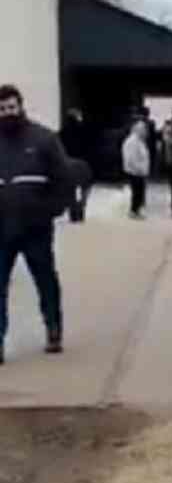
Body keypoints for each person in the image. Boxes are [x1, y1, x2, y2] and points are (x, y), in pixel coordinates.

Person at [0, 84, 71, 363]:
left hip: (35, 229)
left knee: (45, 280)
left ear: (21, 106)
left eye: (11, 107)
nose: (7, 112)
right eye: (3, 109)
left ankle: (53, 328)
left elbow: (64, 179)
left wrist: (50, 211)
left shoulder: (43, 139)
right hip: (1, 229)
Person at [122, 120, 150, 219]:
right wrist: (139, 169)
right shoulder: (132, 141)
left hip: (140, 171)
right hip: (135, 172)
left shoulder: (139, 141)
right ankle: (133, 211)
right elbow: (131, 158)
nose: (145, 132)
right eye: (143, 129)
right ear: (137, 130)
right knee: (136, 192)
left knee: (139, 192)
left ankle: (137, 210)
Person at [67, 157, 93, 223]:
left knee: (72, 200)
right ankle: (80, 217)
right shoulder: (83, 165)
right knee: (80, 201)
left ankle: (74, 218)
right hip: (83, 182)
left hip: (75, 183)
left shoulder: (68, 165)